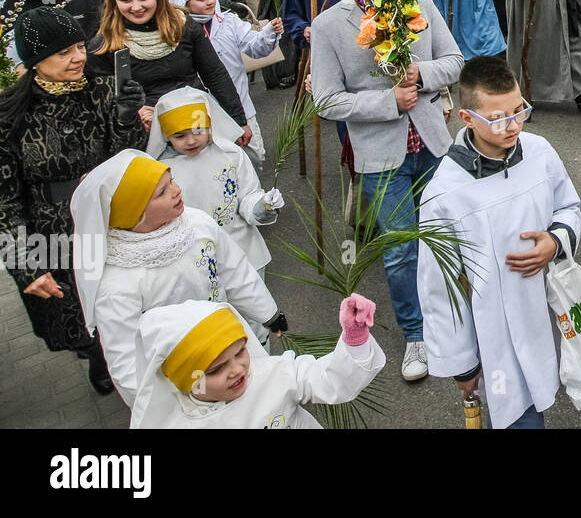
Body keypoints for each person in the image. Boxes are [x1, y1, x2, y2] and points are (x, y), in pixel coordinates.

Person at [311, 0, 464, 382]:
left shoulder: (419, 2)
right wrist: (387, 102)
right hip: (381, 156)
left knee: (447, 233)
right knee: (399, 250)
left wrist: (423, 73)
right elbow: (326, 100)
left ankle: (455, 310)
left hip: (434, 143)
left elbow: (454, 59)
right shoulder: (329, 25)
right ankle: (415, 334)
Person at [416, 56, 581, 429]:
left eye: (519, 111)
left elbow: (569, 205)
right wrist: (464, 365)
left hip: (549, 310)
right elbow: (439, 288)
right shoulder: (445, 194)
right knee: (517, 415)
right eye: (496, 118)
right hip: (496, 337)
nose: (512, 127)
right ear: (467, 119)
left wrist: (555, 242)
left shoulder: (539, 152)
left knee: (553, 389)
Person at [0, 7, 146, 394]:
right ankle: (98, 353)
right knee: (74, 312)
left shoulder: (101, 90)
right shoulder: (9, 115)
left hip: (110, 219)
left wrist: (128, 121)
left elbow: (127, 163)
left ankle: (123, 355)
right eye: (64, 52)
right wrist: (22, 263)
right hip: (53, 234)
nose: (79, 57)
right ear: (35, 61)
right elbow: (5, 200)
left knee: (123, 299)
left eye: (80, 46)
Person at [70, 149, 281, 406]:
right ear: (132, 213)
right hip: (185, 383)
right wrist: (167, 407)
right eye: (161, 192)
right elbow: (125, 360)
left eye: (171, 181)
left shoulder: (197, 223)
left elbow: (236, 272)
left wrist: (269, 314)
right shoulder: (117, 285)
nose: (176, 190)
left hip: (229, 349)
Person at [129, 295, 383, 429]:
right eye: (217, 369)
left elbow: (328, 378)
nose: (237, 369)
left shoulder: (273, 374)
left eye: (240, 352)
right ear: (185, 380)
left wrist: (355, 338)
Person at [85, 0, 251, 142]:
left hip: (197, 121)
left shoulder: (183, 26)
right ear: (114, 1)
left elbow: (215, 74)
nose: (136, 6)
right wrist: (133, 110)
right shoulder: (104, 45)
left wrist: (238, 120)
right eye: (126, 0)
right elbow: (99, 102)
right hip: (148, 133)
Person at [145, 86, 282, 272]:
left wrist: (263, 204)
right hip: (195, 262)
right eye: (180, 136)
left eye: (198, 131)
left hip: (244, 254)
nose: (191, 141)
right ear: (165, 135)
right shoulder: (161, 170)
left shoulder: (230, 154)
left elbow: (247, 195)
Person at [170, 0, 281, 163]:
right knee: (216, 162)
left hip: (239, 102)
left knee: (254, 156)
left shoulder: (228, 21)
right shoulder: (174, 32)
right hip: (201, 111)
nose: (210, 2)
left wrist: (268, 33)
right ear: (183, 3)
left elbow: (254, 47)